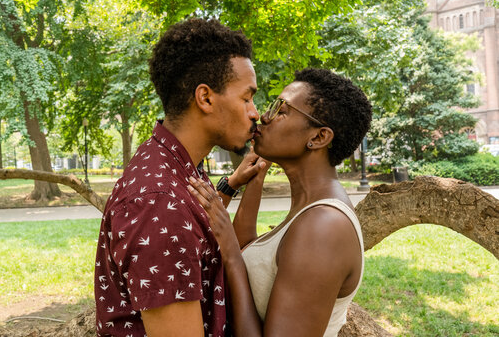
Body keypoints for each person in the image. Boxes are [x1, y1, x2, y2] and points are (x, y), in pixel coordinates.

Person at [94, 18, 269, 337]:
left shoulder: (175, 160)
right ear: (205, 98)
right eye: (246, 98)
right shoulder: (159, 205)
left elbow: (197, 236)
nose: (255, 112)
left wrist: (232, 183)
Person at [188, 68, 372, 336]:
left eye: (281, 110)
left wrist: (230, 254)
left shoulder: (324, 226)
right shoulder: (308, 208)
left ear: (318, 137)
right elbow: (248, 249)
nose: (263, 116)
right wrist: (256, 178)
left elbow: (236, 254)